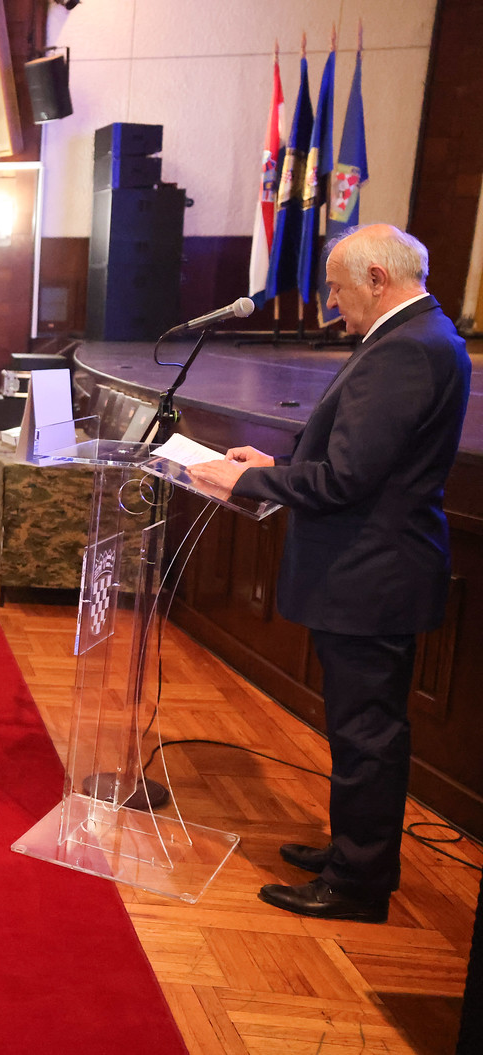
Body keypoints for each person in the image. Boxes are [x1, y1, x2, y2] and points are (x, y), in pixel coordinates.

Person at [189, 225, 472, 924]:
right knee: (358, 730)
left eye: (339, 289)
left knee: (367, 736)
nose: (331, 304)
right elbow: (364, 459)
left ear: (377, 278)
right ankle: (353, 855)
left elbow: (347, 479)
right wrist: (275, 465)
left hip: (372, 576)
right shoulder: (420, 336)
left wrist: (246, 482)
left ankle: (358, 882)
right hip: (372, 571)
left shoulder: (406, 348)